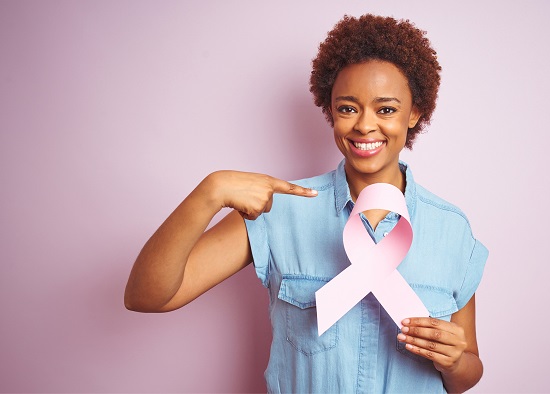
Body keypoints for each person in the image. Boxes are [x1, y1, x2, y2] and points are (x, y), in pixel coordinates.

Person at [125, 14, 488, 393]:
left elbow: (465, 377)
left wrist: (456, 361)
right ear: (330, 111)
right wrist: (209, 192)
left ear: (414, 113)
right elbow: (146, 296)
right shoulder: (277, 213)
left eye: (386, 109)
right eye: (348, 108)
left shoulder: (452, 231)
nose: (365, 125)